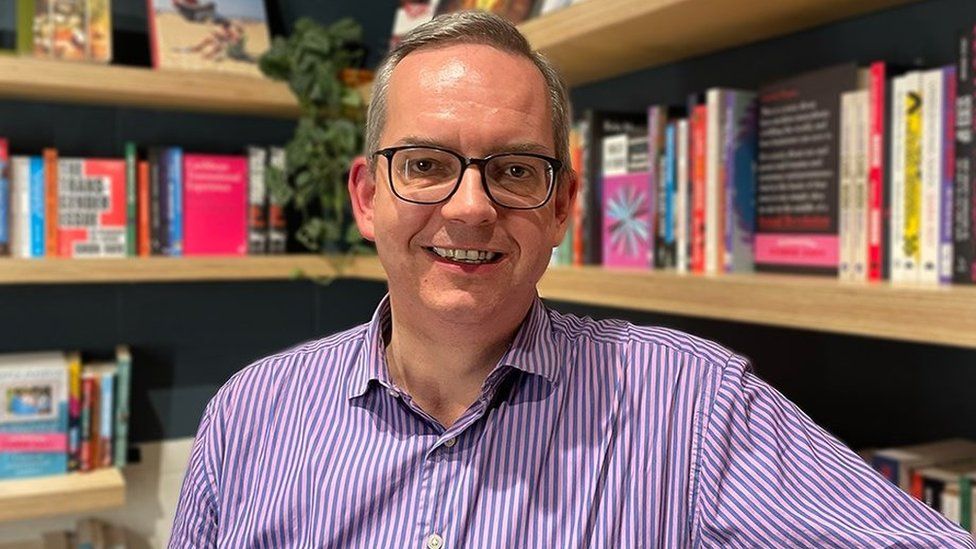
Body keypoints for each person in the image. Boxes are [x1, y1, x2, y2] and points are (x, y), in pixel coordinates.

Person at [169, 11, 976, 548]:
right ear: (368, 197)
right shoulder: (250, 417)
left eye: (515, 169)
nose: (471, 207)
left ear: (564, 205)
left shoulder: (693, 407)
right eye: (425, 165)